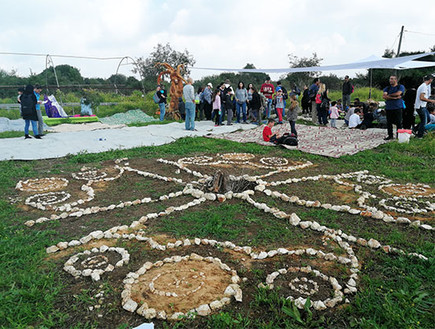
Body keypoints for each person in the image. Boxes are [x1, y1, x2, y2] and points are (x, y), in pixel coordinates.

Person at [382, 75, 405, 140]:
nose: (390, 80)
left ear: (396, 80)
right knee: (389, 122)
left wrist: (389, 96)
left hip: (398, 107)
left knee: (399, 122)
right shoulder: (387, 88)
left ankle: (399, 135)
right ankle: (390, 135)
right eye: (390, 79)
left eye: (392, 79)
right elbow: (384, 96)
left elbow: (398, 93)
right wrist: (394, 98)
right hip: (389, 107)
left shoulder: (400, 87)